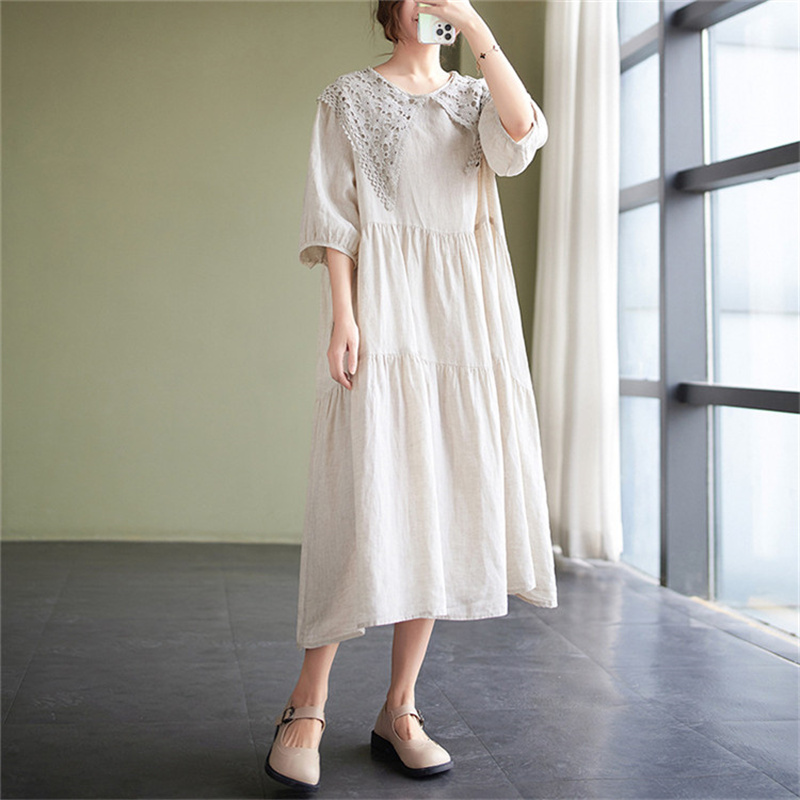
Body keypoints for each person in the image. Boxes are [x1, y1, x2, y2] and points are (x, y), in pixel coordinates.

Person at [265, 0, 558, 791]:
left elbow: (523, 138)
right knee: (362, 496)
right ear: (389, 9)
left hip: (466, 318)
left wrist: (481, 32)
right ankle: (306, 706)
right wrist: (344, 316)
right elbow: (333, 214)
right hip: (385, 309)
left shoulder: (475, 96)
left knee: (439, 498)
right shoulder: (348, 97)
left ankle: (400, 708)